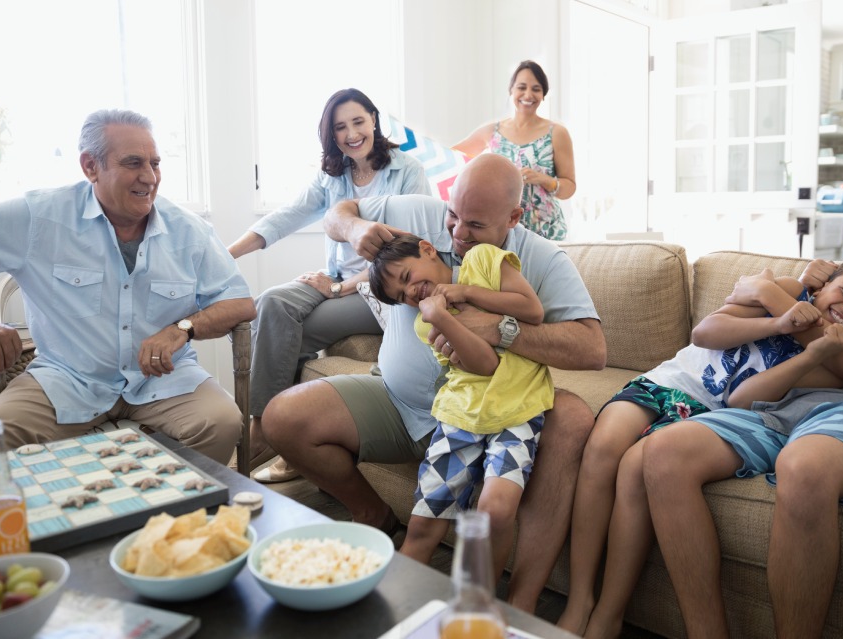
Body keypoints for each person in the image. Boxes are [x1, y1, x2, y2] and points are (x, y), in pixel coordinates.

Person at [262, 153, 605, 611]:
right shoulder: (419, 220)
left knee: (574, 415)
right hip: (397, 401)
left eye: (475, 225)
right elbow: (338, 211)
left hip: (486, 409)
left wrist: (502, 329)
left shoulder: (537, 259)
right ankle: (375, 516)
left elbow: (592, 349)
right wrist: (354, 230)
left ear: (514, 218)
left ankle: (519, 608)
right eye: (453, 215)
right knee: (282, 417)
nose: (457, 234)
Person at [642, 183, 843, 639]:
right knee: (664, 450)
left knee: (804, 465)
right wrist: (792, 288)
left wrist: (772, 292)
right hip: (783, 406)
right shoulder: (837, 280)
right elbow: (723, 324)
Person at [559, 255, 843, 638]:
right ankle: (578, 602)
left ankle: (608, 615)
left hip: (707, 410)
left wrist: (812, 355)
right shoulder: (789, 290)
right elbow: (705, 332)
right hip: (671, 379)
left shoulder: (834, 365)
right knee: (603, 448)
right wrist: (779, 320)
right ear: (823, 288)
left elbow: (742, 401)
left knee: (635, 469)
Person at [0, 109, 256, 464]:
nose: (149, 177)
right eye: (133, 163)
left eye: (155, 163)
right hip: (67, 379)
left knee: (221, 422)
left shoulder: (190, 230)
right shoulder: (39, 216)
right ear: (90, 166)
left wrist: (182, 329)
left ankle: (166, 514)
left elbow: (239, 302)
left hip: (163, 382)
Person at [227, 88, 429, 481]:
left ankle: (273, 437)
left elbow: (410, 249)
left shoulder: (408, 171)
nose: (351, 133)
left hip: (379, 291)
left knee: (289, 329)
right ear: (331, 135)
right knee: (272, 303)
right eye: (340, 127)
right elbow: (287, 217)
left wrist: (341, 288)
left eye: (358, 121)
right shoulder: (333, 174)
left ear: (374, 119)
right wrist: (226, 254)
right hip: (335, 278)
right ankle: (267, 425)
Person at [367, 234, 553, 578]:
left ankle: (482, 604)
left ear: (427, 249)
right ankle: (392, 613)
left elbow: (532, 310)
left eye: (407, 278)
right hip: (461, 414)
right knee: (424, 522)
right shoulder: (426, 322)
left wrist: (464, 293)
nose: (410, 294)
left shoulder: (482, 259)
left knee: (496, 511)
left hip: (518, 411)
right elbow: (484, 364)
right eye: (400, 296)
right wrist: (442, 318)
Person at [454, 60, 575, 241]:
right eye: (521, 87)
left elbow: (569, 188)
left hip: (547, 233)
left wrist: (543, 179)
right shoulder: (492, 132)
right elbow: (453, 157)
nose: (528, 94)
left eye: (536, 89)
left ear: (543, 95)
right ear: (511, 90)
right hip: (504, 233)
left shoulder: (557, 133)